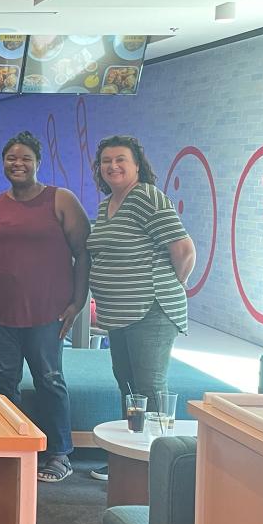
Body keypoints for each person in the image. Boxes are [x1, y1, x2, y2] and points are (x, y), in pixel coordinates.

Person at [0, 131, 90, 483]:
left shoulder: (60, 201)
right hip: (1, 311)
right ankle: (8, 444)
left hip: (48, 312)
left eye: (25, 159)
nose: (17, 164)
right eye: (11, 159)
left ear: (37, 162)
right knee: (4, 378)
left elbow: (83, 254)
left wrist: (77, 303)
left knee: (49, 379)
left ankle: (59, 452)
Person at [86, 135, 195, 480]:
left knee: (149, 387)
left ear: (137, 165)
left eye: (121, 160)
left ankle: (158, 467)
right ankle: (129, 458)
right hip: (119, 313)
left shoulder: (146, 197)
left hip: (151, 309)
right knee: (128, 386)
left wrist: (167, 285)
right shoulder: (108, 204)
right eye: (106, 161)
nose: (112, 166)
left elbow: (184, 249)